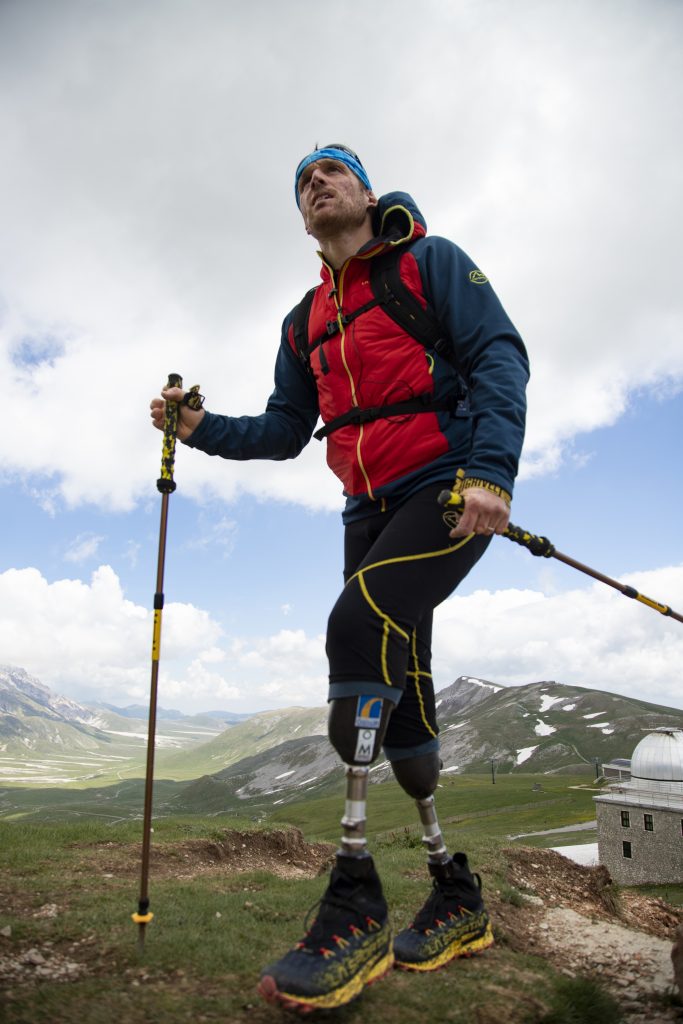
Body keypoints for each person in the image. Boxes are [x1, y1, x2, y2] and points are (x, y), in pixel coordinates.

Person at [150, 144, 529, 1012]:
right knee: (405, 688)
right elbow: (286, 430)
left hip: (445, 485)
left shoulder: (428, 263)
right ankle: (455, 892)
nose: (314, 184)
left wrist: (492, 475)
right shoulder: (301, 321)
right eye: (301, 183)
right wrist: (198, 425)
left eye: (330, 171)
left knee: (355, 625)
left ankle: (355, 894)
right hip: (364, 510)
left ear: (365, 190)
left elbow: (500, 358)